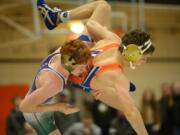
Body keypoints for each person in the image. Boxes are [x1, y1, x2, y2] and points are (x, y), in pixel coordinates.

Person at [21, 1, 155, 135]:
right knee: (130, 107)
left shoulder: (113, 40)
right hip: (76, 74)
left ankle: (57, 17)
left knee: (103, 6)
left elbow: (91, 24)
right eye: (144, 58)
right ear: (132, 53)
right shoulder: (117, 76)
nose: (145, 61)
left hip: (77, 56)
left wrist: (95, 47)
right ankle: (93, 83)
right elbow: (131, 112)